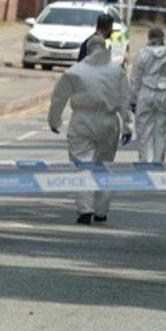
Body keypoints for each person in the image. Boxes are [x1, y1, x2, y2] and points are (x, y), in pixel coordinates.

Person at [48, 36, 133, 225]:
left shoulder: (75, 71)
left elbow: (59, 98)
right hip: (108, 121)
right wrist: (127, 125)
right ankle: (101, 210)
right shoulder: (116, 71)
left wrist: (54, 121)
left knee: (82, 165)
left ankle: (85, 209)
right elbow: (124, 100)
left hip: (82, 120)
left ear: (87, 50)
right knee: (104, 165)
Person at [131, 26, 166, 162]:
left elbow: (135, 79)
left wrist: (133, 100)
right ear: (162, 38)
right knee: (160, 132)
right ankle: (158, 162)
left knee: (144, 132)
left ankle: (145, 162)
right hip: (163, 96)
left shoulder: (142, 54)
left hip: (145, 94)